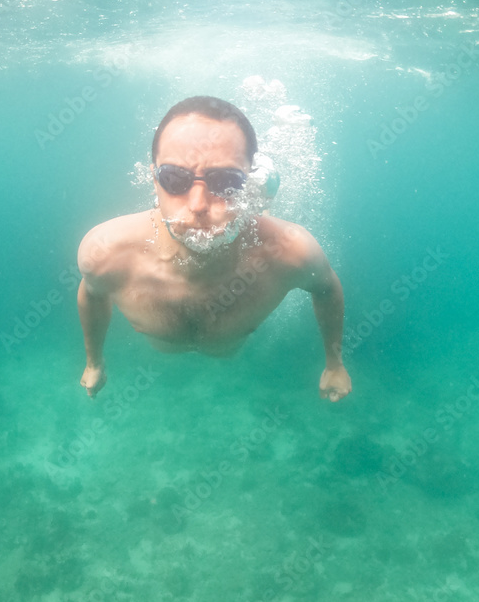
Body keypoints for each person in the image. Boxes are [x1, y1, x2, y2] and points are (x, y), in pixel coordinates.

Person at [76, 95, 351, 402]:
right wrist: (94, 361)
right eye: (174, 178)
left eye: (225, 182)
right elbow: (92, 292)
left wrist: (335, 364)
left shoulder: (291, 252)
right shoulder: (106, 253)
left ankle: (256, 196)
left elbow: (326, 288)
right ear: (154, 179)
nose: (198, 205)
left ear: (248, 182)